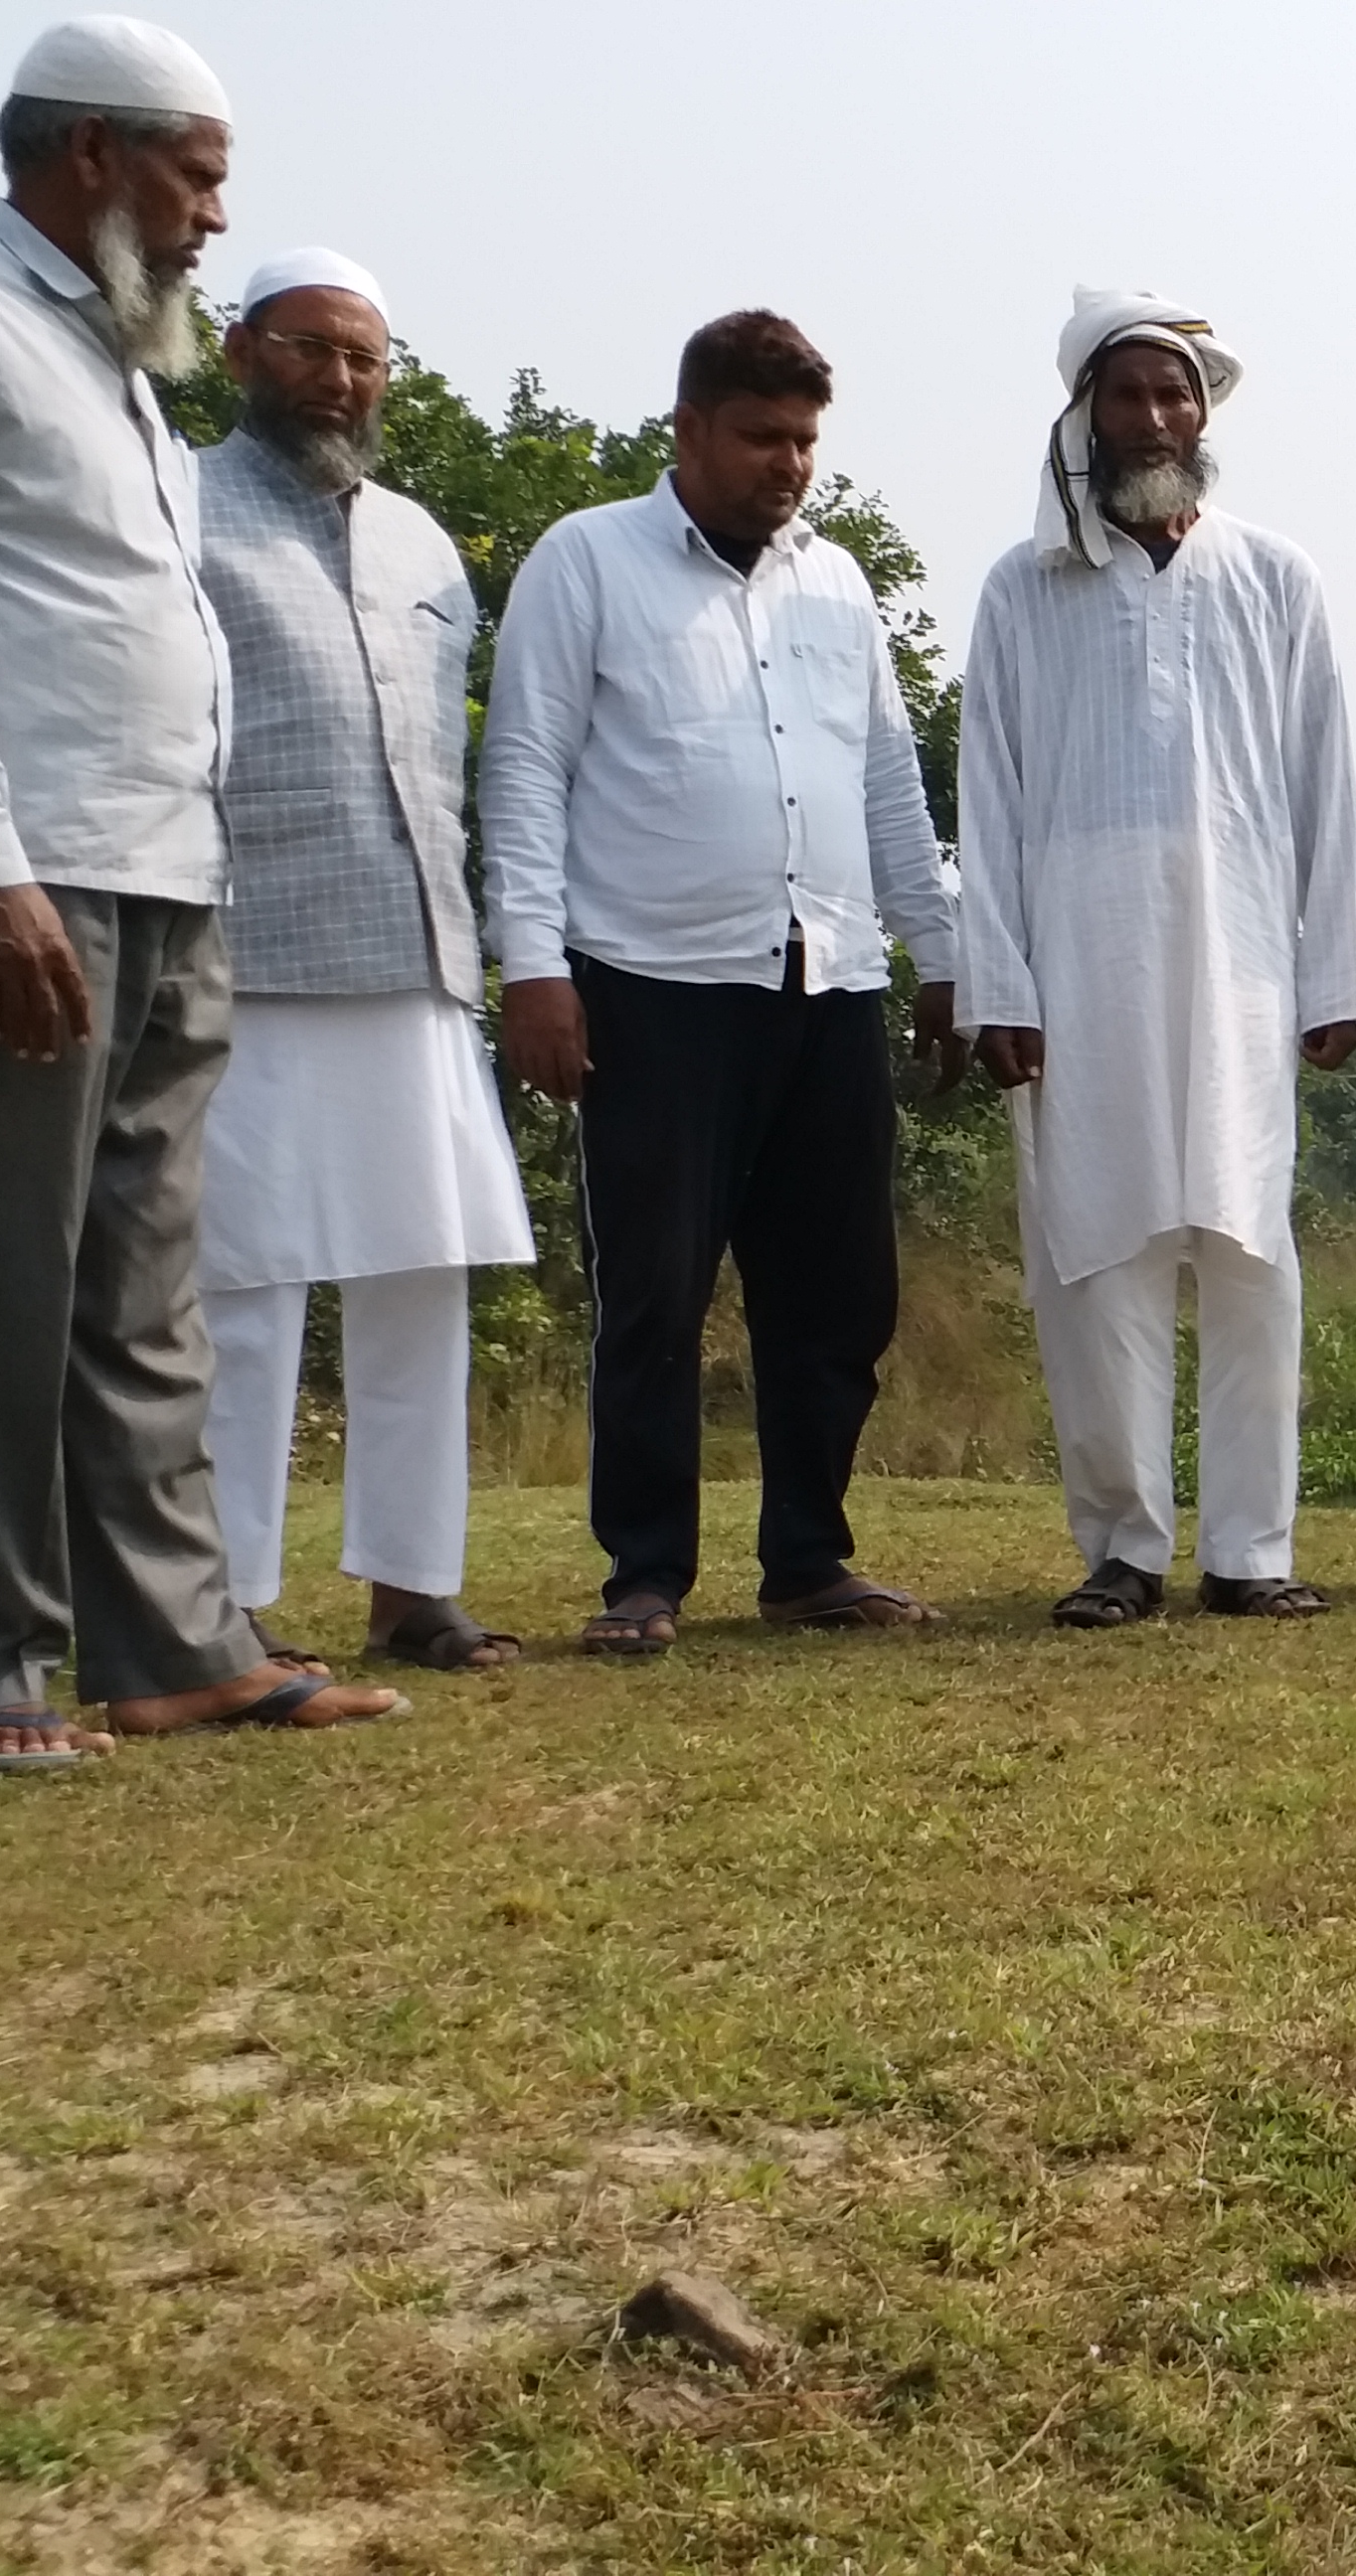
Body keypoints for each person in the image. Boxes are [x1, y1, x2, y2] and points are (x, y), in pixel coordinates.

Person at [0, 15, 402, 1765]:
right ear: (92, 154)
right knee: (6, 1271)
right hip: (23, 868)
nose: (220, 215)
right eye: (200, 174)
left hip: (165, 867)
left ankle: (167, 1643)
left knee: (145, 1278)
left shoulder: (120, 359)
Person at [479, 309, 958, 1654]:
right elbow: (523, 767)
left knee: (837, 1294)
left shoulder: (838, 585)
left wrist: (943, 952)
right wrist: (532, 964)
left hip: (829, 977)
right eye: (760, 437)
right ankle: (645, 1572)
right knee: (655, 1290)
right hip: (650, 982)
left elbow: (884, 783)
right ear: (686, 431)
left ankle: (810, 1558)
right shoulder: (587, 562)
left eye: (805, 439)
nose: (788, 464)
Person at [954, 291, 1356, 1630]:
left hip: (1243, 962)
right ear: (1084, 415)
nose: (1154, 418)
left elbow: (1322, 788)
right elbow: (992, 797)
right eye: (1128, 395)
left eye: (1175, 395)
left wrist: (1332, 978)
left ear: (1204, 415)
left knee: (1251, 1254)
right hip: (1083, 971)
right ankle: (1123, 1548)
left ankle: (1252, 1550)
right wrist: (997, 983)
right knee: (1100, 1254)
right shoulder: (1025, 586)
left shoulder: (1275, 575)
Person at [188, 248, 535, 1676]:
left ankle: (413, 1589)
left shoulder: (420, 542)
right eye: (310, 348)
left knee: (417, 1275)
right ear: (240, 354)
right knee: (245, 1292)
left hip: (414, 955)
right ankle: (221, 1603)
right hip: (245, 947)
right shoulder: (177, 506)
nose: (339, 378)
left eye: (365, 357)